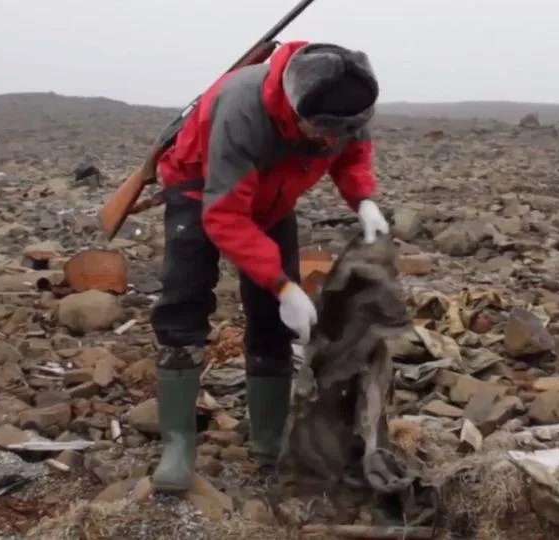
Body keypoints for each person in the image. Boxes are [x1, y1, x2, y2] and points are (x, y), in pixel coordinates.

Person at [147, 40, 390, 493]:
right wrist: (283, 285)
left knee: (271, 320)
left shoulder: (349, 102)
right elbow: (225, 216)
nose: (330, 142)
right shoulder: (244, 113)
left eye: (342, 131)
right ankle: (177, 445)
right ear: (295, 110)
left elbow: (353, 155)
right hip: (201, 186)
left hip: (273, 199)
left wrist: (364, 199)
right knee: (183, 302)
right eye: (321, 131)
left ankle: (269, 439)